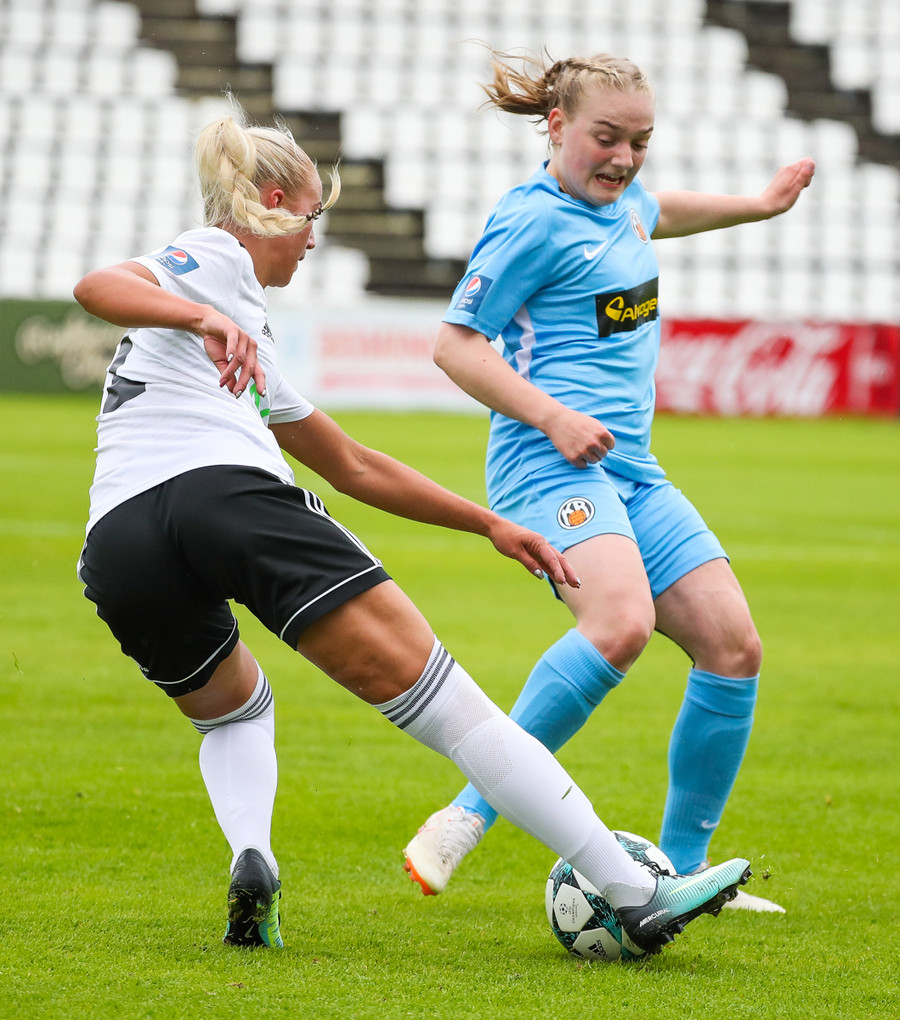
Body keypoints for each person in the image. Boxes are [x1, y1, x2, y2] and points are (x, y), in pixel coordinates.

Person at [73, 103, 751, 954]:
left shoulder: (250, 341)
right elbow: (95, 287)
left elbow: (352, 464)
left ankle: (254, 859)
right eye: (311, 217)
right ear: (272, 203)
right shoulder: (214, 259)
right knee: (457, 713)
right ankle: (632, 890)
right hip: (224, 496)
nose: (312, 240)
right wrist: (204, 317)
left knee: (234, 710)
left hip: (118, 545)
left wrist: (488, 523)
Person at [403, 51, 815, 912]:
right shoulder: (530, 220)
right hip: (545, 465)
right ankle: (466, 813)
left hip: (629, 470)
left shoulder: (624, 204)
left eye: (640, 140)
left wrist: (760, 205)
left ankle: (681, 871)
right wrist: (553, 416)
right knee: (621, 623)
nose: (624, 159)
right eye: (606, 137)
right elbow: (454, 346)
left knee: (733, 647)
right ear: (557, 127)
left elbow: (662, 209)